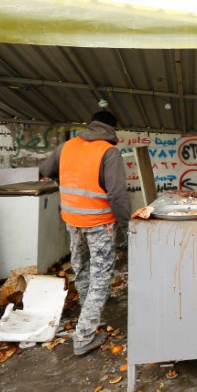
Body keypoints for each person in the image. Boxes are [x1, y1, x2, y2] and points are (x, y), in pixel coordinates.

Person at [39, 111, 129, 356]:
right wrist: (127, 224)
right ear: (112, 128)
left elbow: (45, 169)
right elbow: (117, 194)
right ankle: (84, 335)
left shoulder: (66, 147)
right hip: (100, 223)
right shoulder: (108, 152)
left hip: (72, 221)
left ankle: (89, 318)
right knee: (101, 277)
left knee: (81, 268)